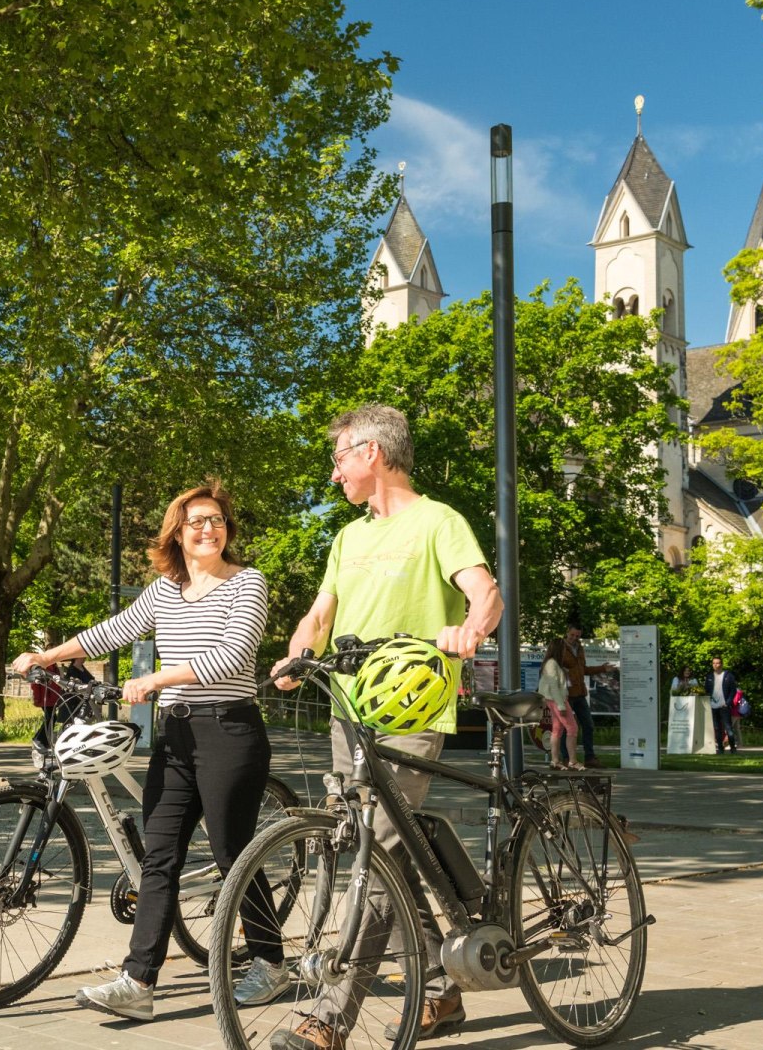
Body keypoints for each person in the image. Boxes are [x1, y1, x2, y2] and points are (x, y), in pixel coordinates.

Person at [273, 403, 503, 1050]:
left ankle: (328, 1018)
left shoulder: (439, 522)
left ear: (372, 453)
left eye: (340, 456)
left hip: (411, 713)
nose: (335, 472)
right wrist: (296, 651)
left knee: (374, 859)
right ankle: (439, 992)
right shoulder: (349, 538)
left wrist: (470, 629)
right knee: (380, 855)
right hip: (349, 715)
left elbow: (486, 590)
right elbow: (321, 614)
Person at [11, 480, 277, 1023]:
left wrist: (155, 679)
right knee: (159, 857)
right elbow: (111, 631)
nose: (209, 529)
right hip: (177, 737)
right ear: (177, 533)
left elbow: (232, 655)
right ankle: (138, 981)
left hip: (230, 731)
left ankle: (271, 964)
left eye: (217, 520)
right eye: (197, 521)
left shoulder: (247, 583)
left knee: (233, 855)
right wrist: (47, 653)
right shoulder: (163, 591)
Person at [560, 624, 615, 766]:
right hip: (565, 693)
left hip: (579, 693)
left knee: (588, 725)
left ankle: (589, 757)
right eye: (572, 635)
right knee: (567, 727)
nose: (574, 638)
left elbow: (583, 669)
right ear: (567, 633)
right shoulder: (559, 648)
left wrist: (603, 668)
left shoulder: (579, 649)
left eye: (577, 636)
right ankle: (566, 758)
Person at [537, 639, 581, 769]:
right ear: (559, 649)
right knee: (572, 728)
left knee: (557, 730)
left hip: (553, 699)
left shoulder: (553, 663)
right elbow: (554, 686)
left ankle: (555, 761)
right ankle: (573, 761)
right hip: (557, 700)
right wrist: (561, 705)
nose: (565, 652)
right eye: (564, 649)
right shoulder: (552, 664)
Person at [707, 656, 739, 754]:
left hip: (724, 706)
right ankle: (720, 748)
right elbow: (707, 690)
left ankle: (733, 747)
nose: (715, 665)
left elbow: (733, 691)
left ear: (721, 664)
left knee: (728, 728)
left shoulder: (728, 675)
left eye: (717, 663)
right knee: (717, 728)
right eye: (714, 663)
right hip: (713, 706)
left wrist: (728, 703)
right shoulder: (709, 676)